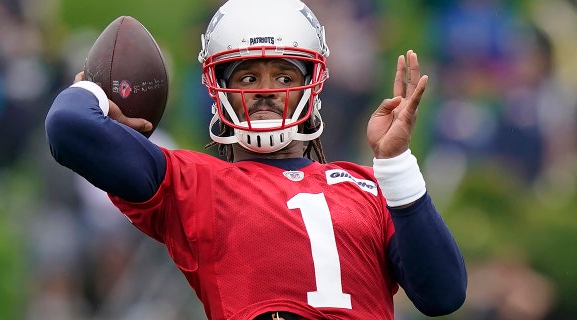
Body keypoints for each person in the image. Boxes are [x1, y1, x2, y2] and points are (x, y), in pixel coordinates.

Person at [45, 0, 467, 319]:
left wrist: (395, 163)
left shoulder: (370, 187)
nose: (266, 90)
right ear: (216, 89)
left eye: (284, 76)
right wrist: (94, 90)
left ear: (312, 87)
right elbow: (68, 128)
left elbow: (443, 294)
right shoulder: (192, 183)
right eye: (248, 77)